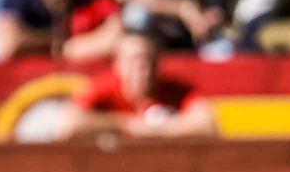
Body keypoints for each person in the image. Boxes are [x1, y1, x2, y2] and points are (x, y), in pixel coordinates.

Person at [62, 26, 218, 137]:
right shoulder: (103, 87)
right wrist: (125, 125)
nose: (142, 67)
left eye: (148, 59)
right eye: (134, 60)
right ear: (119, 64)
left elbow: (207, 124)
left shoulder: (177, 90)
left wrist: (156, 130)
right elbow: (71, 123)